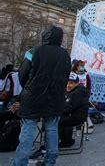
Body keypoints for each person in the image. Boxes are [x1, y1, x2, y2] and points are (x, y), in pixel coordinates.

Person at [13, 25, 71, 166]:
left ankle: (20, 162)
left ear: (44, 36)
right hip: (55, 97)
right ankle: (50, 161)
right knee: (52, 129)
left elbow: (23, 73)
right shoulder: (65, 55)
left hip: (32, 97)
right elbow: (66, 75)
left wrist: (29, 87)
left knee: (28, 130)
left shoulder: (33, 51)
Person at [58, 74, 89, 148]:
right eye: (67, 83)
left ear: (77, 83)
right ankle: (65, 141)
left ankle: (51, 144)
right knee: (57, 118)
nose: (68, 85)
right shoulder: (73, 91)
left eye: (71, 83)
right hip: (71, 115)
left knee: (54, 120)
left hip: (76, 117)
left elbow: (69, 107)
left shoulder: (78, 92)